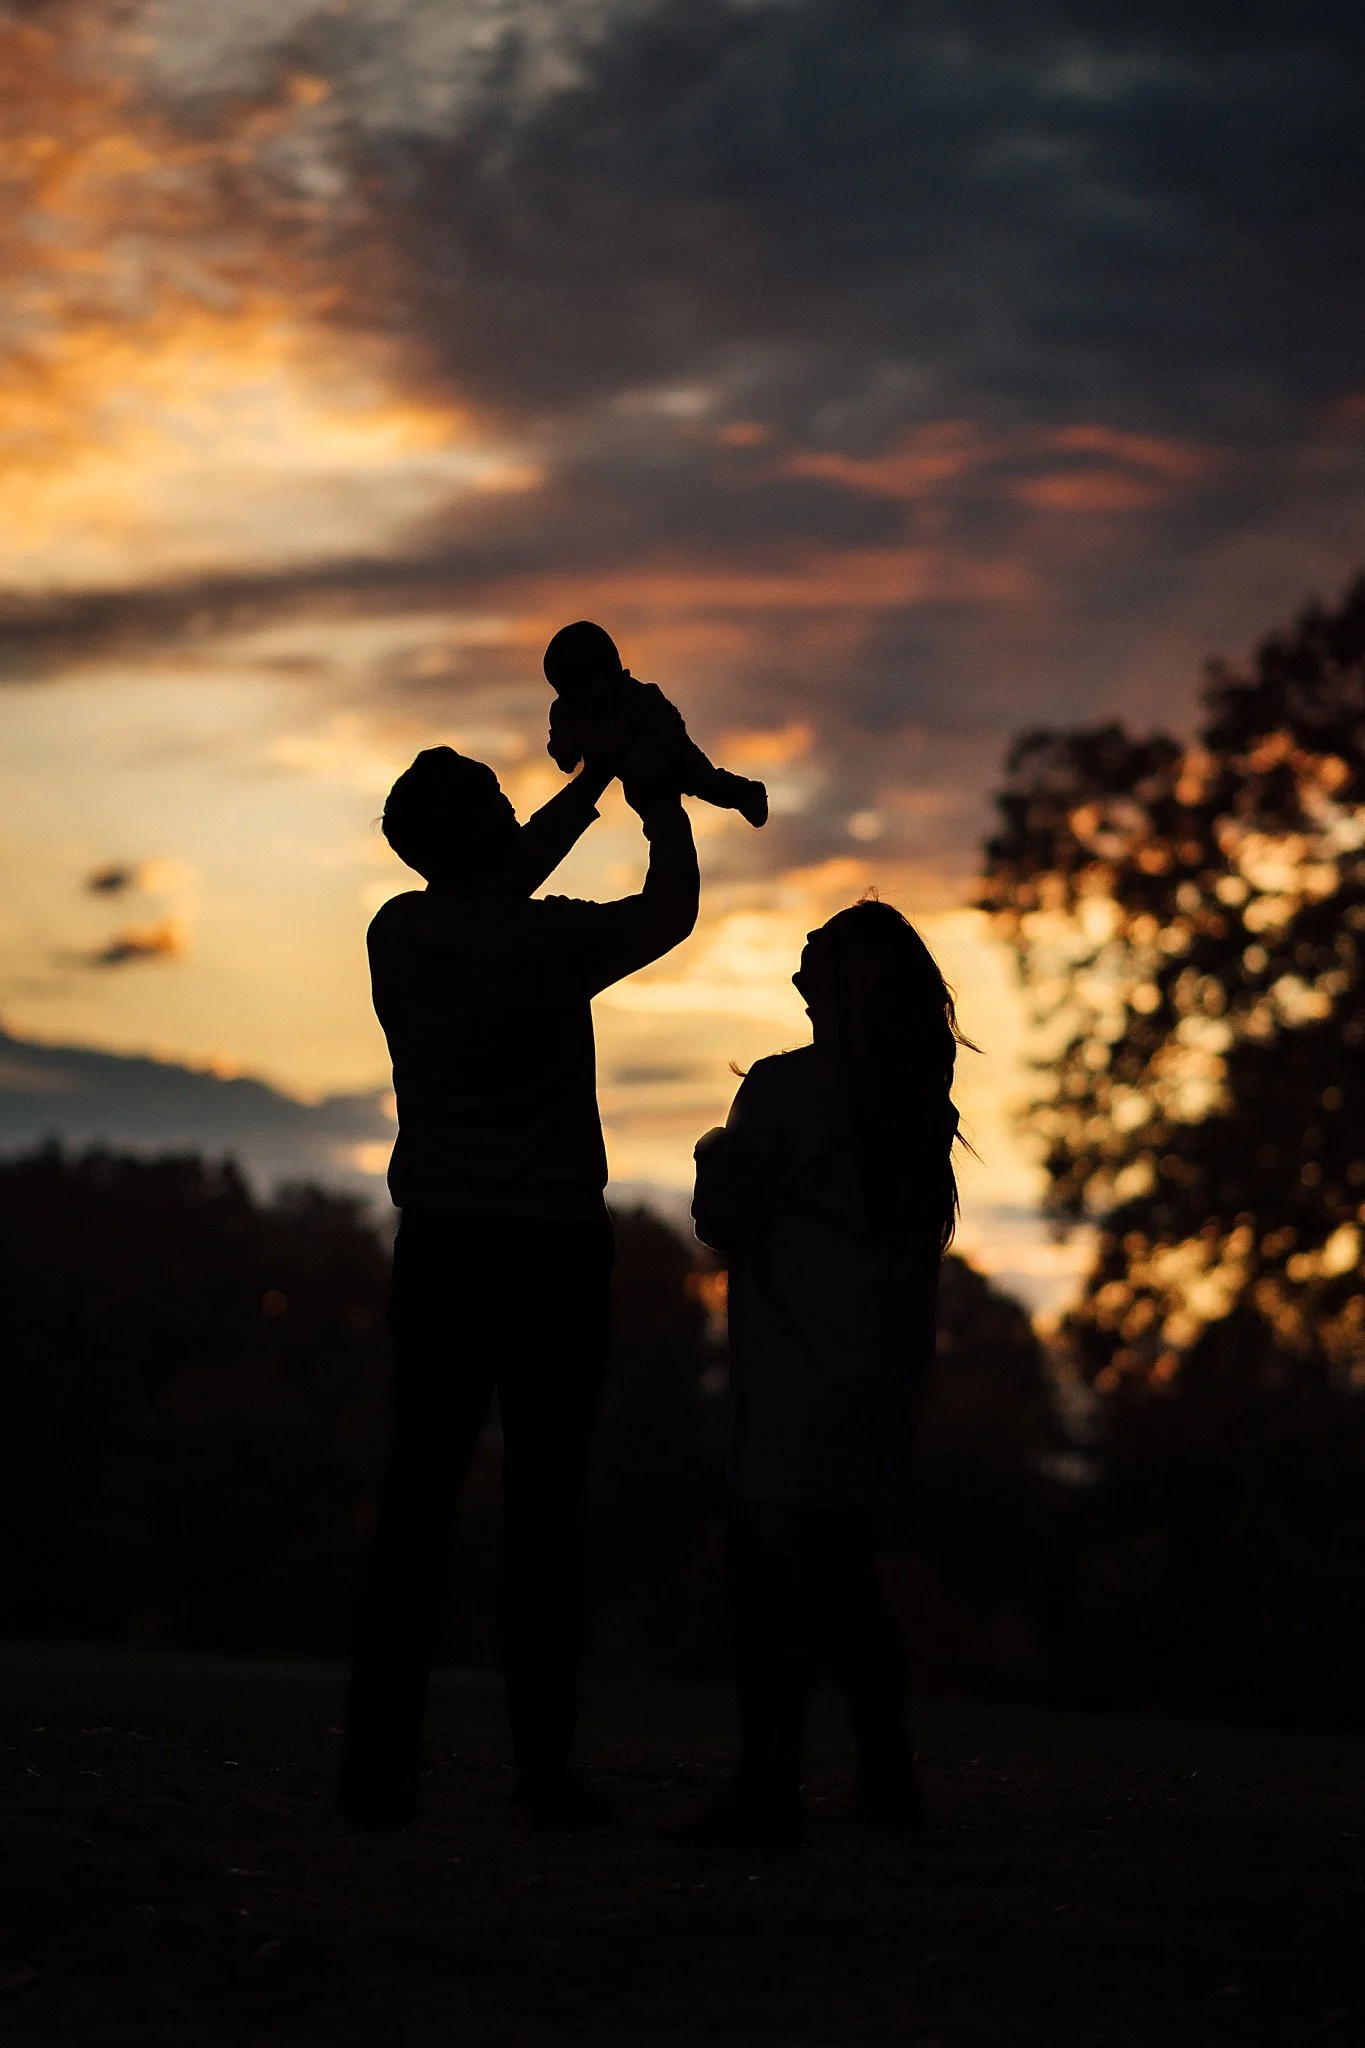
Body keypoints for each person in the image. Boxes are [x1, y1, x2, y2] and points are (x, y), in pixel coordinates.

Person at [339, 739, 699, 1831]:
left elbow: (503, 876)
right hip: (548, 1252)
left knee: (417, 1504)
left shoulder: (400, 932)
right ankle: (542, 1771)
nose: (512, 812)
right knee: (546, 1512)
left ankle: (377, 1771)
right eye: (498, 801)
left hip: (444, 1247)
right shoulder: (546, 939)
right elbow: (669, 909)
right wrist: (655, 798)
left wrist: (592, 785)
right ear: (482, 830)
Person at [690, 899, 972, 1850]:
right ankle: (884, 1781)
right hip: (881, 1371)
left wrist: (711, 1154)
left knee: (770, 1579)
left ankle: (768, 1784)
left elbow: (725, 1218)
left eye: (819, 950)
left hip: (793, 1372)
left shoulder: (782, 1093)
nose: (802, 951)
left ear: (831, 986)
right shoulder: (918, 1111)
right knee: (848, 1578)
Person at [544, 620, 768, 828]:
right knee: (665, 825)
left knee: (706, 783)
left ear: (606, 672)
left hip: (672, 756)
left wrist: (644, 759)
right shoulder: (566, 713)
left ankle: (747, 794)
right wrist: (565, 752)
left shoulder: (638, 698)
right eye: (565, 691)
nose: (575, 698)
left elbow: (667, 730)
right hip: (637, 777)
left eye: (581, 686)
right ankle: (670, 869)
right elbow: (565, 750)